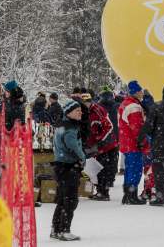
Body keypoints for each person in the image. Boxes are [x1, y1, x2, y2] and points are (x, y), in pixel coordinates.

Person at [50, 100, 86, 241]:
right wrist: (82, 157)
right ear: (69, 112)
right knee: (70, 200)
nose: (80, 112)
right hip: (68, 167)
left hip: (61, 166)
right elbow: (73, 146)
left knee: (62, 199)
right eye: (77, 110)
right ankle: (64, 230)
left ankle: (56, 228)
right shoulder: (70, 128)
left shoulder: (62, 125)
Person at [81, 93, 117, 201]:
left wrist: (100, 140)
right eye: (84, 102)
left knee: (104, 168)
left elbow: (109, 126)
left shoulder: (97, 110)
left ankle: (104, 192)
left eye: (88, 102)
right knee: (95, 169)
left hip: (106, 145)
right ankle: (100, 190)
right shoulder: (82, 112)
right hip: (94, 145)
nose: (86, 104)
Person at [118, 80, 148, 205]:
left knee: (129, 168)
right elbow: (137, 128)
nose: (142, 92)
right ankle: (132, 195)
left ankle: (127, 195)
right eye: (140, 90)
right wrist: (143, 142)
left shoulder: (125, 103)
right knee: (135, 169)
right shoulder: (134, 107)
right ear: (135, 92)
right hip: (133, 143)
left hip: (126, 141)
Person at [98, 86, 120, 187]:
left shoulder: (98, 107)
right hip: (115, 136)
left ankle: (103, 179)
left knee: (102, 158)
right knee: (113, 158)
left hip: (103, 136)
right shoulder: (117, 106)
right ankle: (110, 178)